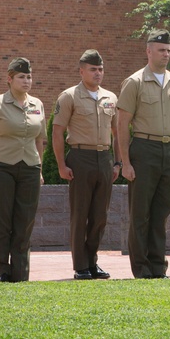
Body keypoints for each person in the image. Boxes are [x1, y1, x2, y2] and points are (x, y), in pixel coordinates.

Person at [117, 30, 170, 279]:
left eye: (168, 50)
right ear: (148, 51)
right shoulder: (134, 82)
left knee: (161, 212)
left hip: (168, 151)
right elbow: (122, 123)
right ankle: (141, 268)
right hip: (144, 149)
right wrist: (125, 162)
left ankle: (158, 267)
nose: (166, 54)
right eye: (161, 50)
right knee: (140, 213)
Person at [52, 49, 124, 281]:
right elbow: (57, 131)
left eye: (101, 69)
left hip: (104, 159)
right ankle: (81, 265)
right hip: (80, 157)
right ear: (81, 71)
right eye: (93, 69)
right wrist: (61, 165)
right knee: (80, 213)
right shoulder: (69, 96)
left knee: (100, 215)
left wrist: (117, 162)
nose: (98, 73)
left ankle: (93, 262)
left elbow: (117, 132)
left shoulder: (111, 97)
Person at [0, 57, 47, 282]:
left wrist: (40, 169)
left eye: (29, 76)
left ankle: (20, 272)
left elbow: (39, 141)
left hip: (30, 168)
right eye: (21, 77)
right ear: (9, 79)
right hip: (1, 167)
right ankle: (3, 270)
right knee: (1, 222)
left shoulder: (37, 104)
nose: (26, 81)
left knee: (24, 222)